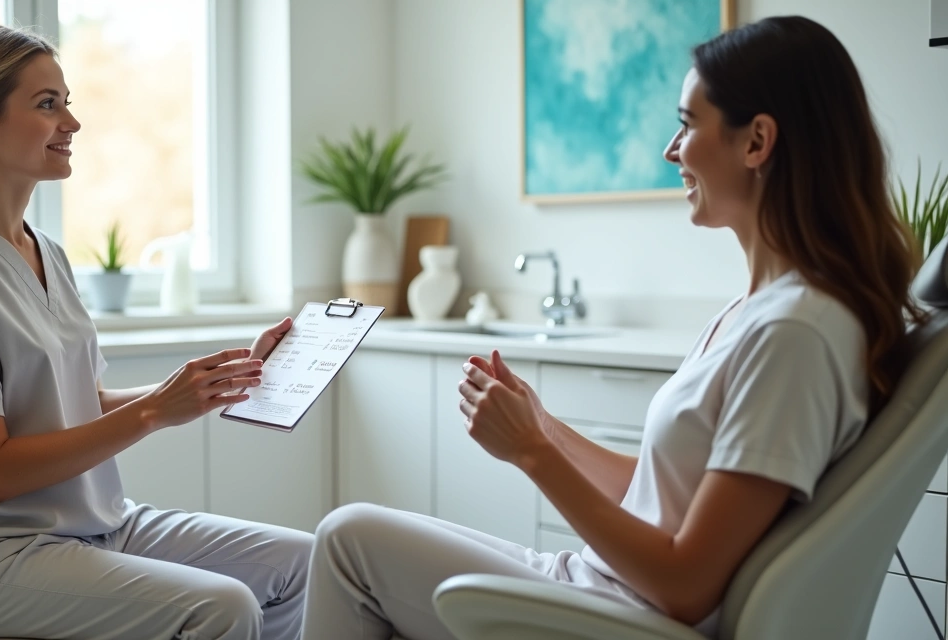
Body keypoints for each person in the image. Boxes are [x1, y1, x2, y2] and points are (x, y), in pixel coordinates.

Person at [301, 15, 926, 640]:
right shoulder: (761, 312)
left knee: (346, 540)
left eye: (686, 125)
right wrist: (544, 427)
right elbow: (660, 496)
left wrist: (533, 453)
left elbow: (686, 586)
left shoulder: (796, 334)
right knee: (351, 539)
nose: (671, 150)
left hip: (629, 618)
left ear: (756, 142)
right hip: (598, 586)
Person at [0, 25, 309, 640]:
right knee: (223, 607)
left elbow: (76, 404)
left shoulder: (45, 252)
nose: (72, 123)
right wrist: (157, 412)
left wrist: (215, 382)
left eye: (67, 102)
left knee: (299, 563)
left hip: (93, 524)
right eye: (47, 104)